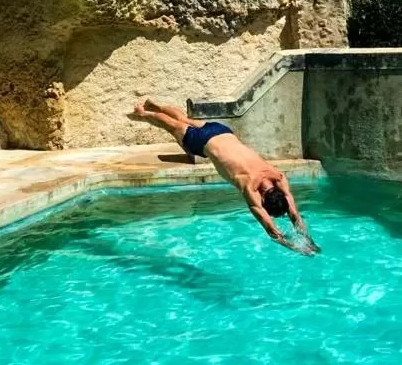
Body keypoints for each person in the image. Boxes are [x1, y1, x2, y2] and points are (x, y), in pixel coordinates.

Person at [130, 98, 320, 256]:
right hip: (203, 142)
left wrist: (310, 242)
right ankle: (144, 114)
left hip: (222, 131)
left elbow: (294, 214)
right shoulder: (249, 187)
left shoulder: (279, 177)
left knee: (183, 119)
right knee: (171, 125)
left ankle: (155, 106)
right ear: (262, 200)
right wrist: (296, 247)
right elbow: (272, 230)